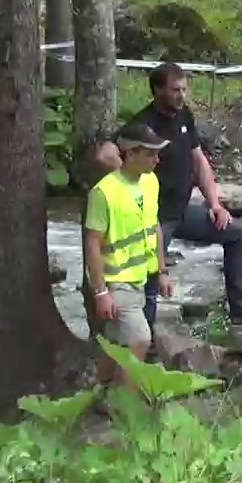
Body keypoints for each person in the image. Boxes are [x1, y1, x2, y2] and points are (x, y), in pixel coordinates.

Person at [130, 63, 242, 327]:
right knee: (150, 275)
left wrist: (215, 204)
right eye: (175, 90)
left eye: (184, 89)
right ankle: (144, 339)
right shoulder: (143, 126)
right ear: (157, 90)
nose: (182, 96)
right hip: (154, 218)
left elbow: (199, 161)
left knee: (239, 233)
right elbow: (111, 153)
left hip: (183, 210)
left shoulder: (184, 116)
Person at [84, 123, 174, 389]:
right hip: (116, 282)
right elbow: (93, 245)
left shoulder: (150, 182)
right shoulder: (103, 193)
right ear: (130, 154)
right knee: (140, 339)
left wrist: (162, 271)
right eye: (150, 153)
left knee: (113, 346)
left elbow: (154, 226)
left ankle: (97, 394)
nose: (157, 159)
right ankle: (124, 405)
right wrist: (101, 292)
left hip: (140, 279)